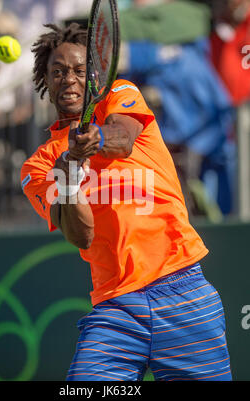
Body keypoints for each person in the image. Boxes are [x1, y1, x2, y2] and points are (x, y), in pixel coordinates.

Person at [21, 23, 232, 381]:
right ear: (46, 81)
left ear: (95, 74)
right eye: (57, 72)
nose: (68, 79)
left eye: (78, 70)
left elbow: (123, 138)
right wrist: (69, 174)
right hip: (116, 307)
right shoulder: (40, 164)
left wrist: (96, 137)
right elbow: (81, 236)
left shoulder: (120, 92)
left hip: (183, 289)